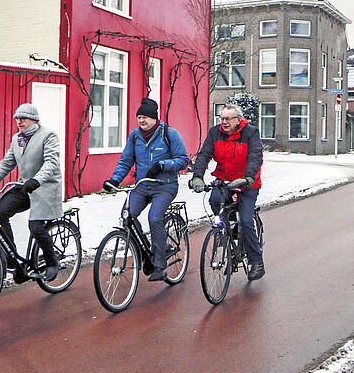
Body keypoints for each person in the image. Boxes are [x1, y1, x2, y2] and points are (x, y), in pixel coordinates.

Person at [104, 98, 189, 282]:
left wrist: (161, 165)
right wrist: (114, 180)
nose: (141, 121)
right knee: (127, 217)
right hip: (142, 186)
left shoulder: (170, 134)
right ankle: (144, 253)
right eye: (139, 117)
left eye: (145, 117)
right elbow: (126, 160)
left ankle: (160, 265)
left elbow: (183, 159)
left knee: (155, 217)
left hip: (164, 186)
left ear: (154, 118)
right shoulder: (135, 136)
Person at [0, 103, 63, 283]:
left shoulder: (48, 135)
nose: (19, 121)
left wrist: (37, 180)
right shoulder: (17, 139)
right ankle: (12, 257)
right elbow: (7, 163)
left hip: (45, 187)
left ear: (34, 119)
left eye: (22, 118)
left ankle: (51, 261)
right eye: (17, 118)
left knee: (36, 227)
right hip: (25, 187)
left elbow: (51, 163)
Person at [189, 104, 265, 281]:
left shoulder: (250, 133)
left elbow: (255, 157)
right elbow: (204, 155)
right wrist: (197, 176)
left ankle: (256, 261)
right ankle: (227, 229)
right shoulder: (215, 133)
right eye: (221, 118)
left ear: (238, 119)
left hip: (247, 183)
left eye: (228, 119)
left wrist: (248, 178)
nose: (224, 122)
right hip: (224, 179)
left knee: (246, 220)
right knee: (215, 200)